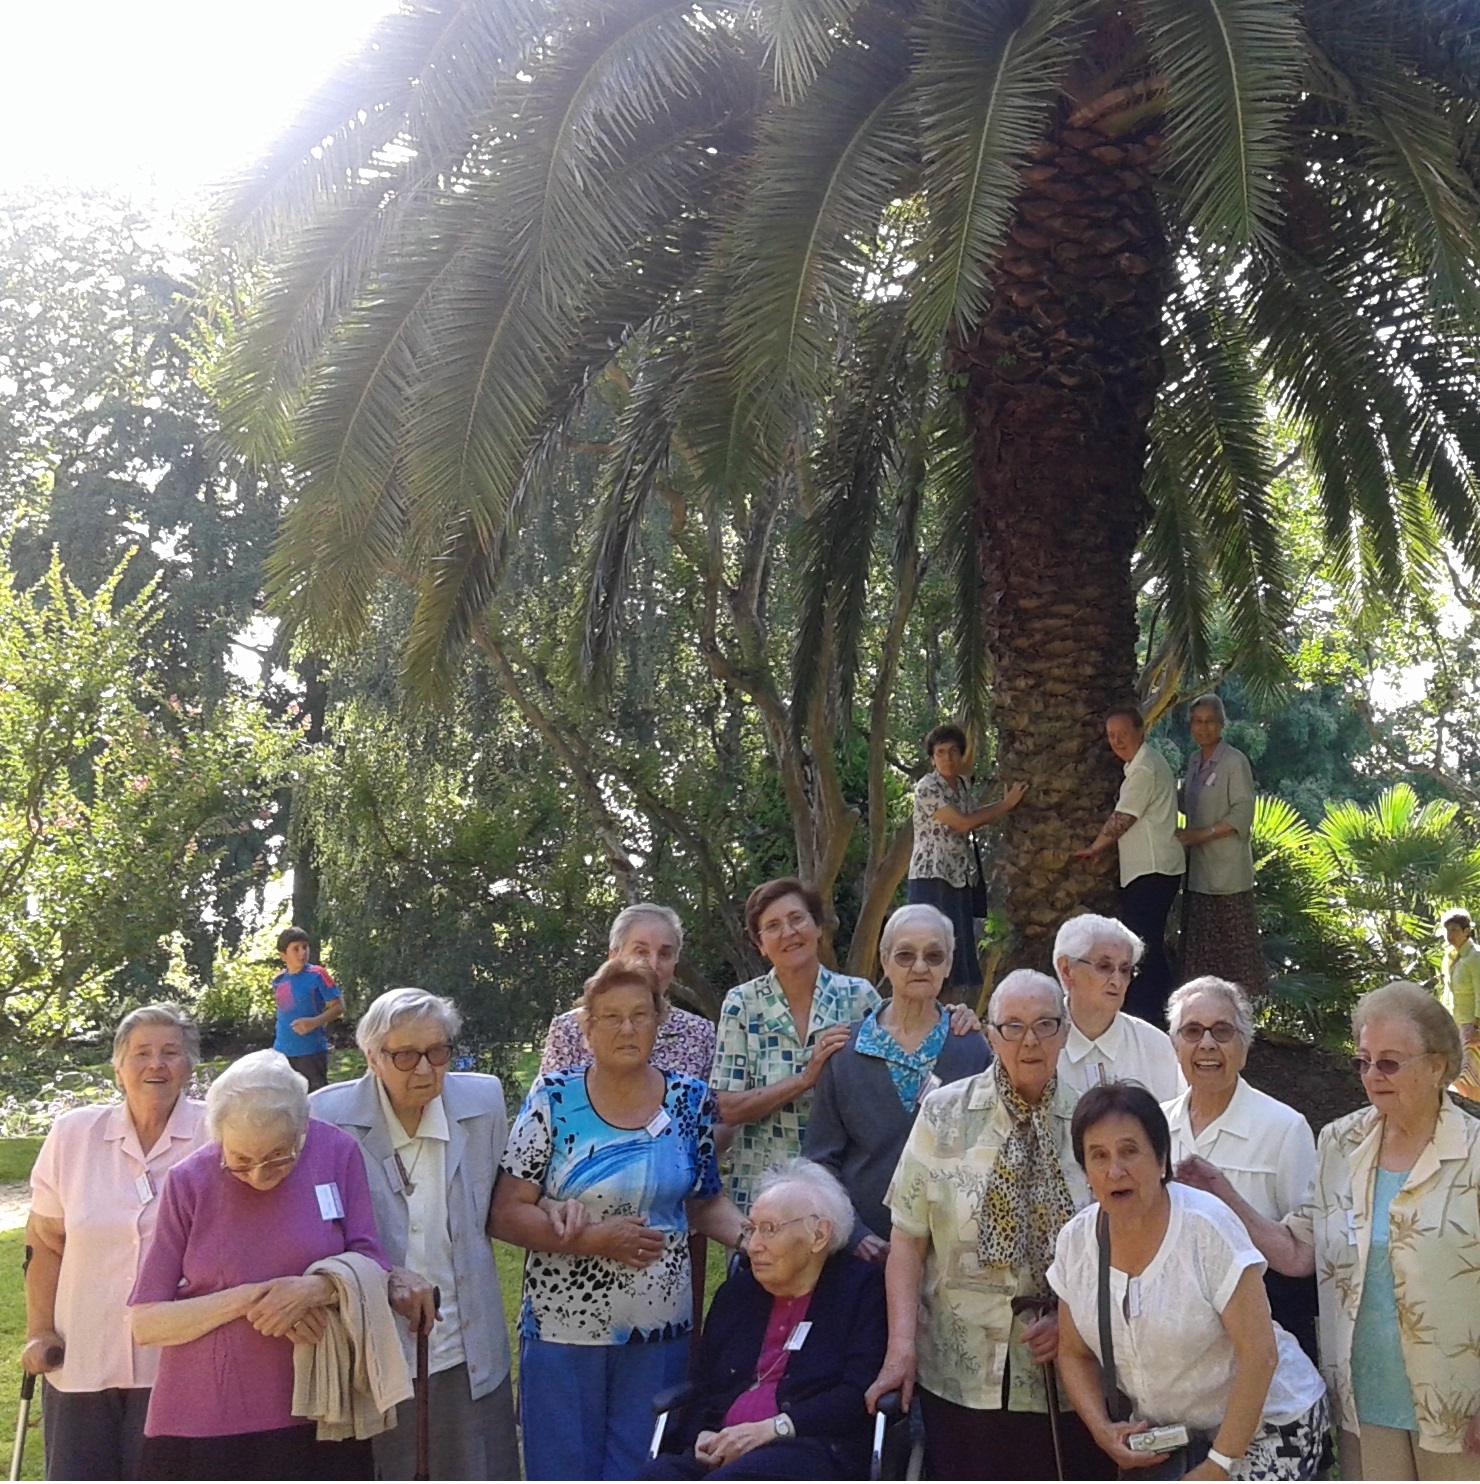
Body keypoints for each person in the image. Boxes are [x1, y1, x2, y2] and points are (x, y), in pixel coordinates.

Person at [1193, 982, 1480, 1480]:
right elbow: (1300, 1252)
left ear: (1437, 1066)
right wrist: (1223, 1193)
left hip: (1460, 1409)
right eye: (1363, 1061)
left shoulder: (1475, 1154)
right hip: (1362, 1404)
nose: (1372, 1075)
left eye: (1389, 1062)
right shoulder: (1340, 1142)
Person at [491, 957, 748, 1480]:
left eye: (640, 1014)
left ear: (659, 1022)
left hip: (661, 1331)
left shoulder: (689, 1100)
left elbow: (703, 1200)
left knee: (646, 1468)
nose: (627, 1027)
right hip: (564, 1332)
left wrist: (755, 1238)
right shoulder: (553, 1099)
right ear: (586, 1028)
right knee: (563, 1470)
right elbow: (506, 1213)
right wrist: (593, 1240)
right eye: (610, 1017)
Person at [865, 970, 1111, 1481]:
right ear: (990, 1035)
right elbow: (908, 1240)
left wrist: (1076, 1322)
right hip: (959, 1371)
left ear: (1066, 1032)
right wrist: (900, 1348)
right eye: (1013, 1027)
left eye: (1045, 1025)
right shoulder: (943, 1112)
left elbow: (1128, 1243)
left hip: (1071, 1374)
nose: (1030, 1042)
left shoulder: (1098, 1118)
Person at [127, 1050, 419, 1480]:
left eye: (279, 1157)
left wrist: (314, 1289)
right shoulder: (190, 1180)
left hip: (321, 1411)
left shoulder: (337, 1152)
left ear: (303, 1129)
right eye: (241, 1161)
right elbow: (147, 1323)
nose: (260, 1175)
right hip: (209, 1417)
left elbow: (372, 1258)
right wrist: (254, 1299)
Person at [1049, 1083, 1328, 1480]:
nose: (1115, 1170)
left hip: (1271, 1422)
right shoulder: (1075, 1243)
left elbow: (1260, 1352)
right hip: (1174, 1437)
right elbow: (1073, 1352)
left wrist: (1220, 1465)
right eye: (1099, 1156)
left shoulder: (1206, 1226)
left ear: (1161, 1158)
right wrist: (1102, 1430)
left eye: (1130, 1151)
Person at [310, 988, 518, 1479]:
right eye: (404, 1055)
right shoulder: (327, 1118)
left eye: (437, 1052)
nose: (424, 1070)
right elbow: (317, 1237)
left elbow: (507, 1200)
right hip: (375, 1350)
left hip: (469, 1345)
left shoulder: (483, 1101)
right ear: (372, 1058)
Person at [715, 878, 979, 1214]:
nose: (789, 932)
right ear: (760, 944)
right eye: (772, 926)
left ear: (818, 927)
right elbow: (726, 1107)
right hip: (765, 1184)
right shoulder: (742, 1004)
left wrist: (955, 1016)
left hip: (843, 1190)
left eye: (797, 919)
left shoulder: (858, 996)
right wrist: (804, 1080)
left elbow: (906, 1029)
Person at [23, 1004, 209, 1480]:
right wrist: (40, 1331)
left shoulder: (215, 1135)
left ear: (190, 1065)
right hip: (82, 1356)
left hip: (176, 1361)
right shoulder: (74, 1134)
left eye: (171, 1052)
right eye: (141, 1053)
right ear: (118, 1066)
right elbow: (43, 1246)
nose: (156, 1064)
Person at [640, 1160, 887, 1481]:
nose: (754, 1245)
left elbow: (856, 1394)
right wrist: (700, 1434)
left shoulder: (859, 1292)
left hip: (812, 1449)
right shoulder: (736, 1295)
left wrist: (775, 1428)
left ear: (819, 1235)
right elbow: (702, 1388)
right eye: (751, 1229)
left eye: (769, 1229)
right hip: (724, 1450)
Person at [802, 904, 990, 1265]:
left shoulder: (969, 1046)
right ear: (885, 961)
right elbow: (819, 1160)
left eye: (934, 955)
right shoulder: (845, 1053)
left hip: (953, 1253)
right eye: (905, 955)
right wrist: (854, 1234)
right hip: (865, 1255)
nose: (920, 966)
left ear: (949, 964)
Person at [1163, 977, 1319, 1362]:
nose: (1207, 1044)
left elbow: (1306, 1255)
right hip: (1173, 1342)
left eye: (1223, 1031)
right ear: (1175, 1045)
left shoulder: (1285, 1128)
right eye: (1192, 1031)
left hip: (1263, 1338)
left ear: (1244, 1047)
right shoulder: (1155, 1127)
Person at [1074, 705, 1185, 1023]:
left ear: (1141, 731)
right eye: (1111, 736)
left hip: (1153, 870)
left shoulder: (1144, 769)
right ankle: (1160, 1013)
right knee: (1147, 943)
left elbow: (1124, 816)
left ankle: (1149, 1016)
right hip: (1152, 869)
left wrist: (1095, 848)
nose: (1117, 741)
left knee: (1142, 946)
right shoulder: (1138, 766)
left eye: (1123, 734)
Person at [906, 723, 1028, 995]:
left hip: (958, 877)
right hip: (932, 877)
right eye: (940, 752)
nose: (947, 758)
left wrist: (1004, 804)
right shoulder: (928, 786)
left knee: (957, 952)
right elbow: (962, 823)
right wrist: (1006, 805)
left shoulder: (962, 784)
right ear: (932, 757)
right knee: (931, 949)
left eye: (952, 752)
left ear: (961, 754)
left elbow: (974, 816)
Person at [539, 904, 715, 1079]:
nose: (653, 965)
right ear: (614, 957)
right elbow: (548, 1102)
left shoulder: (699, 1034)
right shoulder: (569, 1030)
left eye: (664, 954)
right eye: (641, 952)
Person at [1177, 694, 1267, 995]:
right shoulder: (1192, 761)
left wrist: (1202, 834)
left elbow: (1242, 812)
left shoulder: (1234, 761)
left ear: (1221, 724)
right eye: (1197, 722)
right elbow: (1184, 803)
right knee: (1200, 952)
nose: (1203, 728)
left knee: (1232, 954)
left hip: (1227, 875)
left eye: (1210, 722)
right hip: (1197, 872)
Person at [1052, 913, 1183, 1104]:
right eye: (1104, 966)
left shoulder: (1157, 1047)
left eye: (1125, 970)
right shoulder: (1037, 1044)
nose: (1117, 981)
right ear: (1066, 970)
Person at [270, 926, 343, 1092]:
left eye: (305, 947)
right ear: (283, 955)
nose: (302, 953)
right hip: (281, 1052)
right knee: (285, 1102)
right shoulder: (279, 980)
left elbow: (339, 1006)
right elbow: (286, 1012)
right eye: (296, 949)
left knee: (315, 1101)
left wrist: (314, 1022)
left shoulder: (318, 974)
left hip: (311, 1051)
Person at [1440, 908, 1480, 1096]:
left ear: (1466, 931)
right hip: (1455, 1024)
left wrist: (1477, 1028)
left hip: (1472, 1025)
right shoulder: (1450, 956)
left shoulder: (1475, 957)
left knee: (1470, 1078)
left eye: (1455, 930)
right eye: (1448, 930)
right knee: (1457, 1077)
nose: (1450, 935)